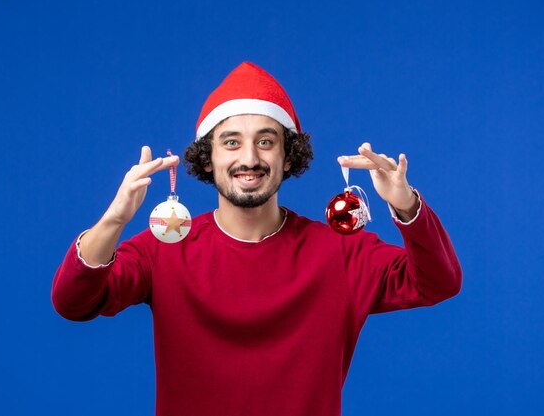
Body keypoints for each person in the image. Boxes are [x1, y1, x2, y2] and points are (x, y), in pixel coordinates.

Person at [52, 62, 462, 416]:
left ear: (287, 157)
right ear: (208, 159)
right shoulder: (165, 246)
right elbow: (73, 303)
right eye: (231, 143)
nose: (249, 158)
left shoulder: (340, 252)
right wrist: (115, 219)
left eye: (265, 142)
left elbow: (438, 282)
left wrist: (407, 207)